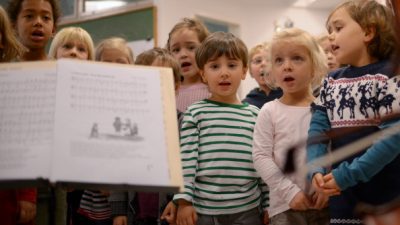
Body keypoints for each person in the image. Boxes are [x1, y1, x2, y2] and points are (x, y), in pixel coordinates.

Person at [306, 0, 399, 224]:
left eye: (338, 28)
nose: (330, 36)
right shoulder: (331, 80)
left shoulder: (389, 76)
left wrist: (347, 175)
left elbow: (393, 137)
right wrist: (315, 169)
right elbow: (318, 129)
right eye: (329, 31)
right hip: (342, 196)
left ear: (368, 32)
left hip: (384, 198)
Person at [172, 31, 269, 225]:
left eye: (232, 65)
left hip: (248, 209)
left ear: (243, 71)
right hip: (204, 210)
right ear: (203, 74)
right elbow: (186, 160)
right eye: (215, 66)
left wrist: (267, 203)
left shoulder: (255, 115)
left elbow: (263, 163)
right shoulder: (195, 113)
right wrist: (183, 202)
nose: (224, 72)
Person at [252, 28, 329, 225]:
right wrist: (289, 191)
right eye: (279, 60)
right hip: (285, 207)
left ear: (314, 66)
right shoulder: (269, 111)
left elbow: (334, 151)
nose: (287, 66)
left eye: (297, 58)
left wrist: (327, 188)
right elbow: (261, 157)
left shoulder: (325, 108)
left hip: (324, 205)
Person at [108, 47, 181, 225]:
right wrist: (118, 211)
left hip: (168, 212)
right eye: (148, 78)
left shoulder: (183, 123)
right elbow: (119, 168)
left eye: (162, 79)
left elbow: (187, 169)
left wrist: (179, 201)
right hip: (135, 214)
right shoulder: (129, 124)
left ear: (176, 87)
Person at [4, 1, 60, 225]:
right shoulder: (6, 74)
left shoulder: (64, 74)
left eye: (45, 17)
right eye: (29, 16)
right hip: (14, 192)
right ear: (14, 24)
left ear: (53, 27)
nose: (38, 22)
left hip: (56, 189)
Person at [166, 17, 211, 113]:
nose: (183, 55)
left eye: (191, 48)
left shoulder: (214, 90)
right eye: (176, 50)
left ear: (205, 50)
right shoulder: (168, 92)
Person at [242, 42, 283, 109]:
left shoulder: (289, 97)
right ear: (251, 71)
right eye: (258, 61)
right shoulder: (247, 105)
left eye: (268, 60)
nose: (263, 64)